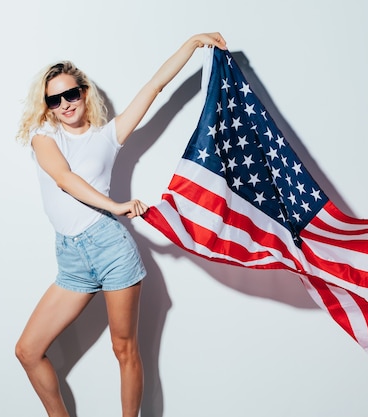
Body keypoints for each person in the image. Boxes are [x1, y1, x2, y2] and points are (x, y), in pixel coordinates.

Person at [15, 32, 227, 417]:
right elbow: (65, 179)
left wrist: (192, 44)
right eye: (54, 99)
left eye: (71, 94)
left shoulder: (108, 136)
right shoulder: (44, 137)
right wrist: (114, 205)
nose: (65, 104)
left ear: (84, 92)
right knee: (28, 351)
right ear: (47, 105)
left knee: (124, 348)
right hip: (72, 257)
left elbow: (156, 87)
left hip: (111, 249)